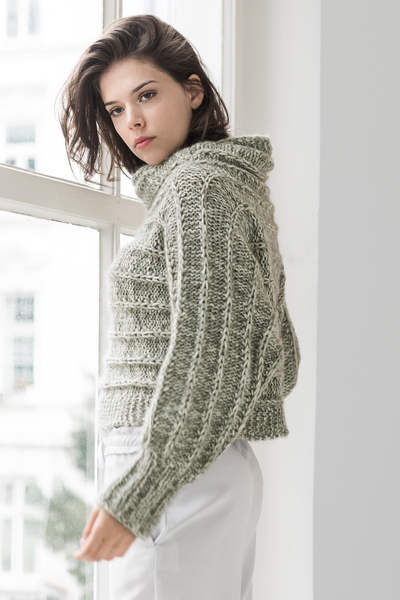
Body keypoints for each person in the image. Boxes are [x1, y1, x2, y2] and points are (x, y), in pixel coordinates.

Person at [57, 14, 301, 600]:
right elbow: (278, 356)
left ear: (193, 91)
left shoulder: (199, 190)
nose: (132, 121)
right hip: (200, 464)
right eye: (116, 109)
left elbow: (210, 356)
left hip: (171, 470)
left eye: (146, 95)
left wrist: (140, 493)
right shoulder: (223, 187)